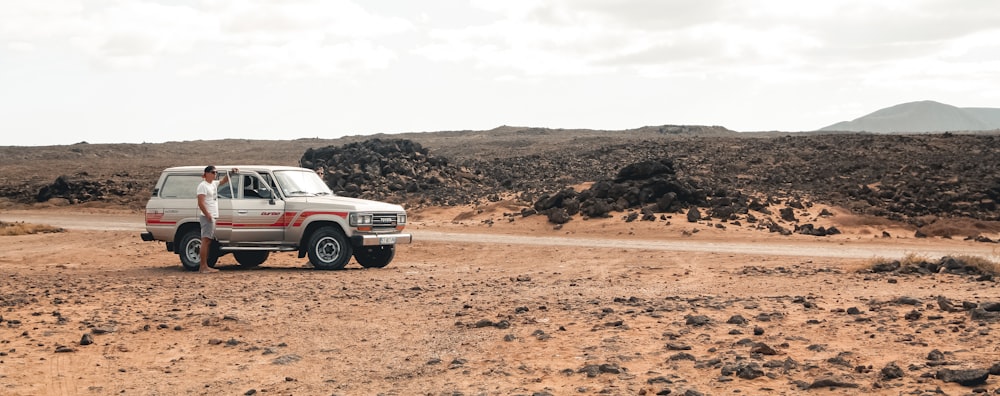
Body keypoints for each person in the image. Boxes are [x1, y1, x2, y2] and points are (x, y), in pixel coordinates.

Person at [196, 165, 236, 273]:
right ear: (207, 173)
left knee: (208, 240)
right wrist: (207, 214)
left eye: (216, 173)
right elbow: (200, 202)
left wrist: (231, 174)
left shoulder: (213, 184)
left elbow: (223, 181)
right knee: (205, 240)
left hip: (212, 215)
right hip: (207, 216)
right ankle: (203, 266)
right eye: (213, 173)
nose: (215, 175)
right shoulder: (202, 186)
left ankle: (204, 265)